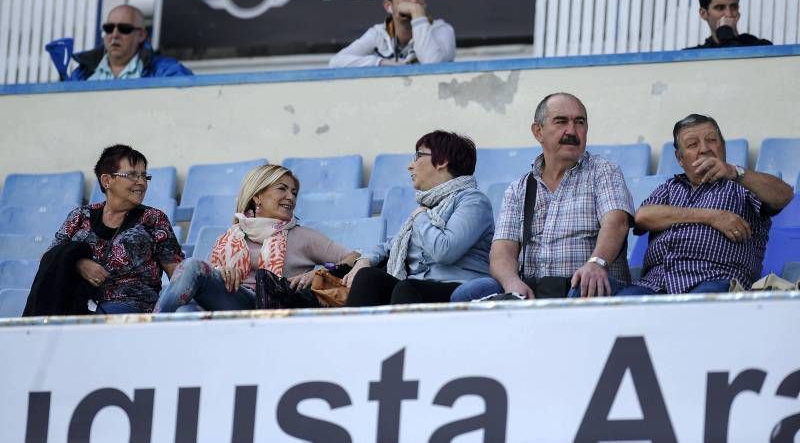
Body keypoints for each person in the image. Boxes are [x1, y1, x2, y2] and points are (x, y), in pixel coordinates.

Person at [451, 93, 634, 302]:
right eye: (561, 121)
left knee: (583, 288)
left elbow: (617, 223)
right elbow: (502, 251)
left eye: (580, 122)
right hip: (534, 291)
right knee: (467, 294)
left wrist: (596, 263)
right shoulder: (519, 188)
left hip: (587, 287)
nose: (572, 131)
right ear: (538, 131)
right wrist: (512, 282)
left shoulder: (603, 171)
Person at [617, 114, 793, 295]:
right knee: (622, 304)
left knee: (701, 306)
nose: (704, 149)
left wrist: (735, 172)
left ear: (723, 147)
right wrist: (712, 217)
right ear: (680, 158)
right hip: (654, 285)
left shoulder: (742, 186)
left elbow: (784, 195)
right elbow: (642, 217)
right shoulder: (670, 187)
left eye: (711, 140)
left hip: (714, 280)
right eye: (693, 144)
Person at [156, 164, 359, 312]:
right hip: (233, 302)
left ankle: (149, 326)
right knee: (190, 292)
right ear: (257, 196)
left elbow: (354, 257)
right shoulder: (228, 238)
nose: (291, 197)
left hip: (273, 305)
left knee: (192, 266)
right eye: (282, 189)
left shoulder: (302, 235)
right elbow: (208, 277)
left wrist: (317, 274)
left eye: (294, 192)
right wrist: (222, 272)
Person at [26, 145, 184, 315]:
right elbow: (49, 258)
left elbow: (177, 273)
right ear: (106, 181)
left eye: (144, 175)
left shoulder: (153, 219)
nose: (141, 182)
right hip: (78, 305)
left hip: (130, 310)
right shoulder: (80, 216)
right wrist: (78, 263)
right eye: (132, 175)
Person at [344, 130, 494, 306]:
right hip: (417, 288)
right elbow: (391, 245)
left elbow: (445, 251)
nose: (410, 165)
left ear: (442, 161)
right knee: (368, 277)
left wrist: (421, 216)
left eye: (418, 156)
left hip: (460, 289)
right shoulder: (429, 207)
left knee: (407, 288)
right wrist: (365, 260)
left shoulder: (473, 201)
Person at [329, 0, 456, 68]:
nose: (414, 1)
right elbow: (336, 62)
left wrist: (417, 14)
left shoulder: (442, 30)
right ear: (389, 6)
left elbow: (433, 67)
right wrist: (381, 63)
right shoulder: (379, 33)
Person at [47, 5, 192, 81]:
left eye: (124, 29)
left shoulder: (165, 71)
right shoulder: (81, 75)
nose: (114, 35)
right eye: (109, 29)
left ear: (141, 35)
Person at [686, 0, 772, 49]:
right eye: (720, 8)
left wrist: (726, 33)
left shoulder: (760, 46)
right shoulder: (692, 55)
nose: (729, 14)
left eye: (733, 7)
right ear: (703, 14)